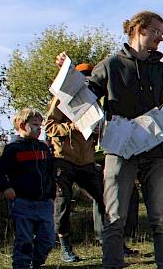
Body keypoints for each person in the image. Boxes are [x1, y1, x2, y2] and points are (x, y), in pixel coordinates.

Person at [56, 11, 163, 269]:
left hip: (156, 153)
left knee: (161, 220)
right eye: (156, 31)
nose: (161, 38)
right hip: (120, 151)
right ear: (139, 30)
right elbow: (84, 98)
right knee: (114, 218)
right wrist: (68, 75)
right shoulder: (110, 65)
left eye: (162, 32)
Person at [44, 63, 106, 262]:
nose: (87, 81)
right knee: (63, 202)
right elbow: (49, 126)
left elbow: (98, 124)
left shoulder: (95, 100)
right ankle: (64, 246)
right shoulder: (61, 98)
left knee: (105, 198)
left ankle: (110, 241)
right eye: (84, 77)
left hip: (87, 159)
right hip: (64, 159)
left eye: (90, 78)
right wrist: (73, 127)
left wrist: (98, 132)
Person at [0, 109, 55, 269]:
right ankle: (21, 265)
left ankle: (36, 262)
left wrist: (52, 192)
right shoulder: (13, 149)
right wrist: (6, 188)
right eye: (34, 124)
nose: (39, 128)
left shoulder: (43, 148)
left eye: (40, 125)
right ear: (22, 125)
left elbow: (50, 171)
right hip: (23, 203)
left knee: (48, 239)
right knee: (24, 240)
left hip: (44, 203)